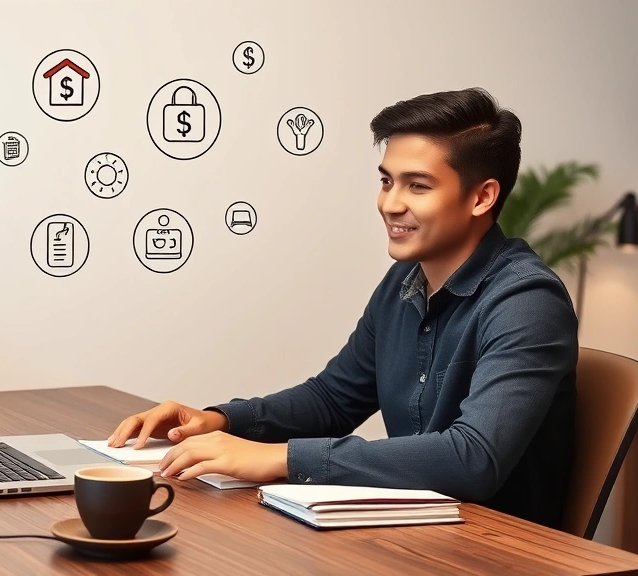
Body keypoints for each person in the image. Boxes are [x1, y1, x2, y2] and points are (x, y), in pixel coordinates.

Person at [107, 87, 578, 530]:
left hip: (497, 550)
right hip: (412, 535)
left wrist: (282, 458)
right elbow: (333, 399)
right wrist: (223, 420)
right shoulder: (405, 281)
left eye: (417, 186)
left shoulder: (527, 302)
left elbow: (474, 459)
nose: (389, 204)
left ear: (482, 197)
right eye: (387, 181)